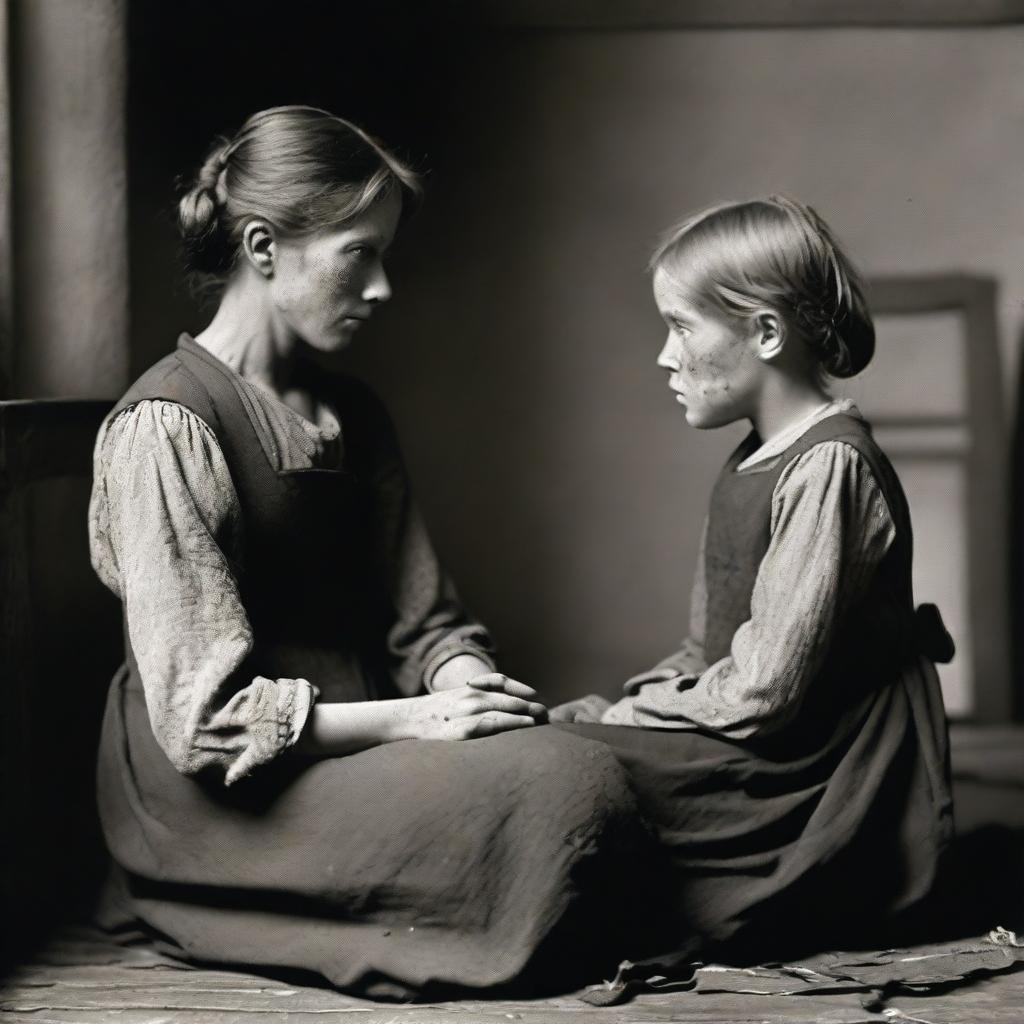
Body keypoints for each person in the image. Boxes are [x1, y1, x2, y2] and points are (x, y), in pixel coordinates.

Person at [88, 105, 650, 999]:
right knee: (563, 798)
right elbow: (203, 723)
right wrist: (416, 722)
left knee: (577, 761)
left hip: (362, 740)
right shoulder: (166, 427)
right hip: (227, 789)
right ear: (266, 247)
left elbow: (425, 618)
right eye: (361, 252)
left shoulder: (356, 417)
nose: (383, 286)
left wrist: (462, 683)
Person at [552, 196, 954, 986]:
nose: (664, 357)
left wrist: (629, 716)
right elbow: (711, 654)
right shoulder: (751, 459)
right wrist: (629, 701)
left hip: (819, 766)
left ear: (766, 334)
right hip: (760, 730)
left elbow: (766, 690)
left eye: (681, 327)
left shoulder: (827, 466)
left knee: (571, 780)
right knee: (564, 752)